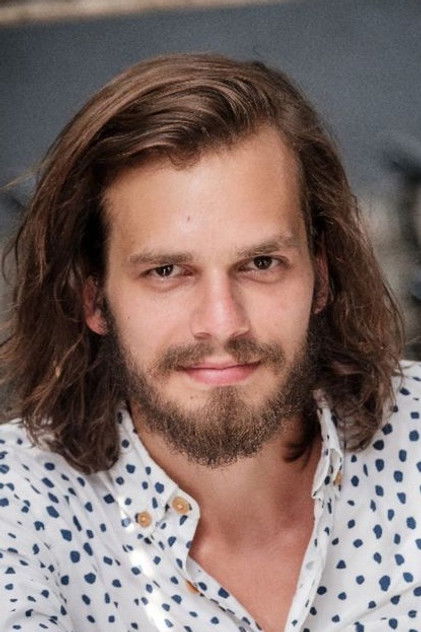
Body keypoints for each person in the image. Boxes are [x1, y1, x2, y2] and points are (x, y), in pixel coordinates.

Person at [0, 53, 419, 632]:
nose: (223, 324)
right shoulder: (16, 505)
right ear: (93, 299)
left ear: (320, 278)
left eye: (262, 263)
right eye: (167, 272)